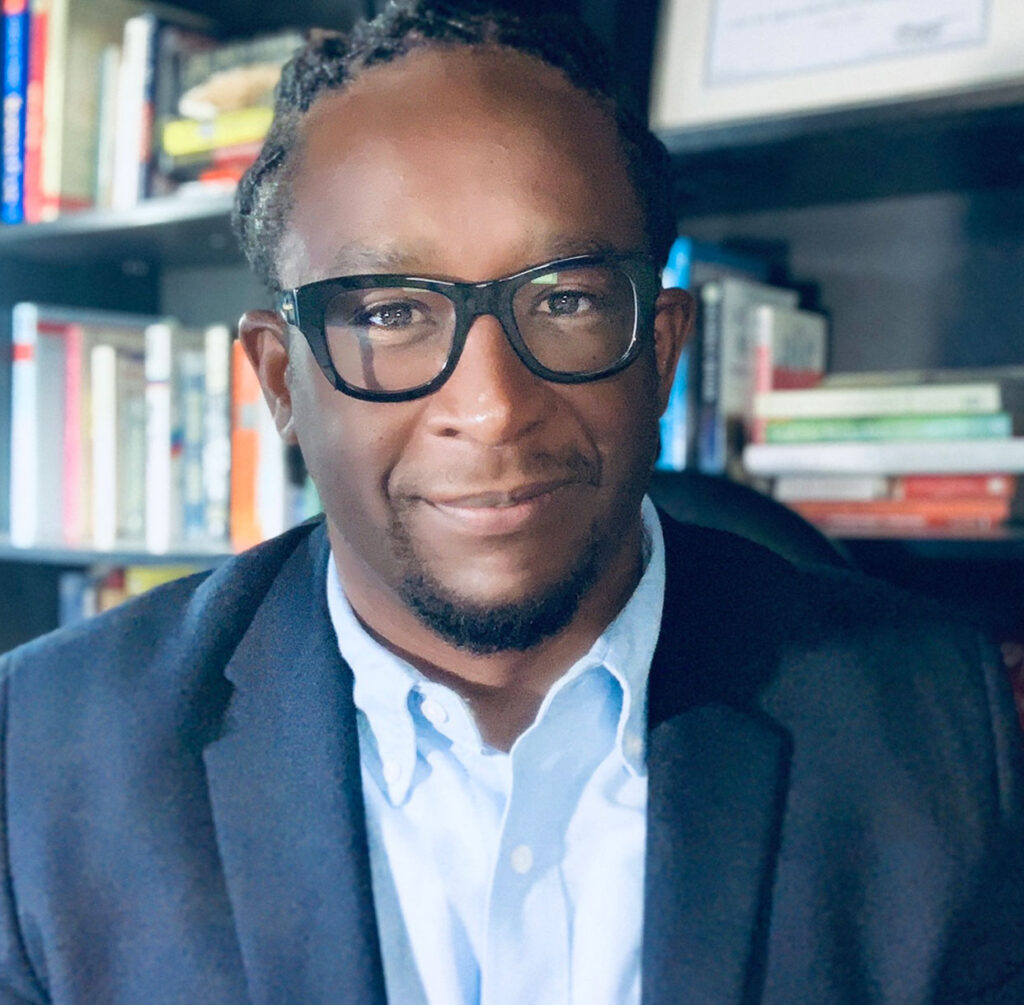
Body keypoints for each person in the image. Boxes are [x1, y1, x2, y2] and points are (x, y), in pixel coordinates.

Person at [1, 3, 1024, 1002]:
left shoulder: (936, 725)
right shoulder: (41, 754)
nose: (491, 407)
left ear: (662, 350)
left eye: (566, 300)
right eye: (390, 312)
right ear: (280, 381)